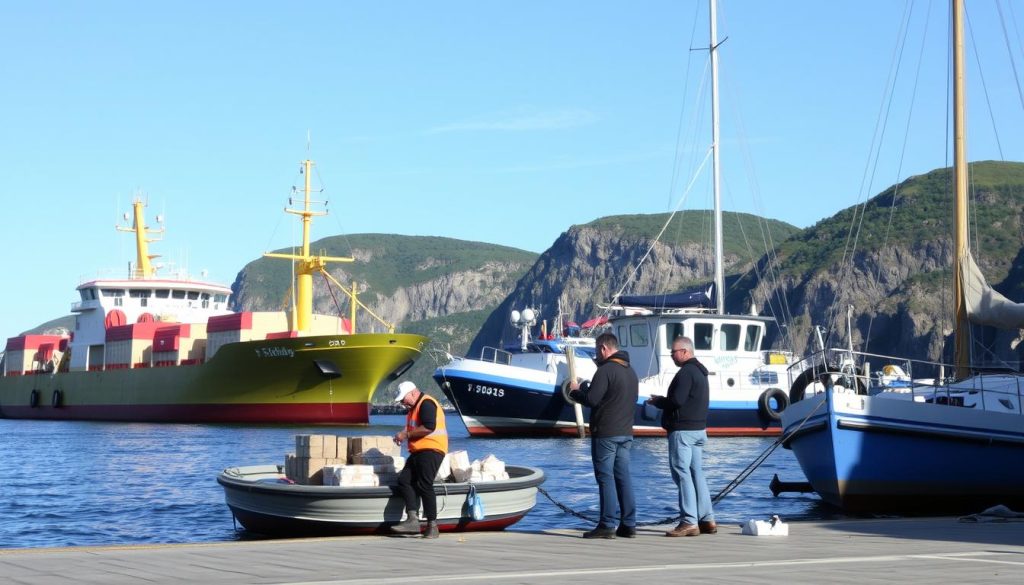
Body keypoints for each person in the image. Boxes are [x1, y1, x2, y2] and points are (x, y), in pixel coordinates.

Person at [568, 332, 639, 539]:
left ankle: (607, 524)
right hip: (626, 433)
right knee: (623, 477)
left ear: (603, 349)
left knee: (605, 478)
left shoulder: (606, 371)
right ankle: (629, 524)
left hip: (606, 433)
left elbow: (592, 399)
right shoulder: (631, 371)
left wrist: (575, 391)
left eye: (597, 351)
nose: (596, 356)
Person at [646, 336, 716, 537]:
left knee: (681, 473)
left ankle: (689, 521)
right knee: (697, 474)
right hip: (699, 430)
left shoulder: (686, 373)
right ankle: (707, 519)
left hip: (683, 431)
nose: (672, 356)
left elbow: (677, 400)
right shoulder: (701, 373)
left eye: (673, 352)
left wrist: (659, 401)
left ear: (685, 351)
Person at [390, 380, 448, 539]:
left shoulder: (427, 403)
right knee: (404, 480)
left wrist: (406, 435)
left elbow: (429, 426)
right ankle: (412, 519)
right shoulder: (414, 408)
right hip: (419, 450)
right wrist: (404, 432)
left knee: (424, 484)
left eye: (404, 399)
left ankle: (432, 526)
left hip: (431, 449)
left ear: (414, 393)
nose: (403, 403)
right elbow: (415, 426)